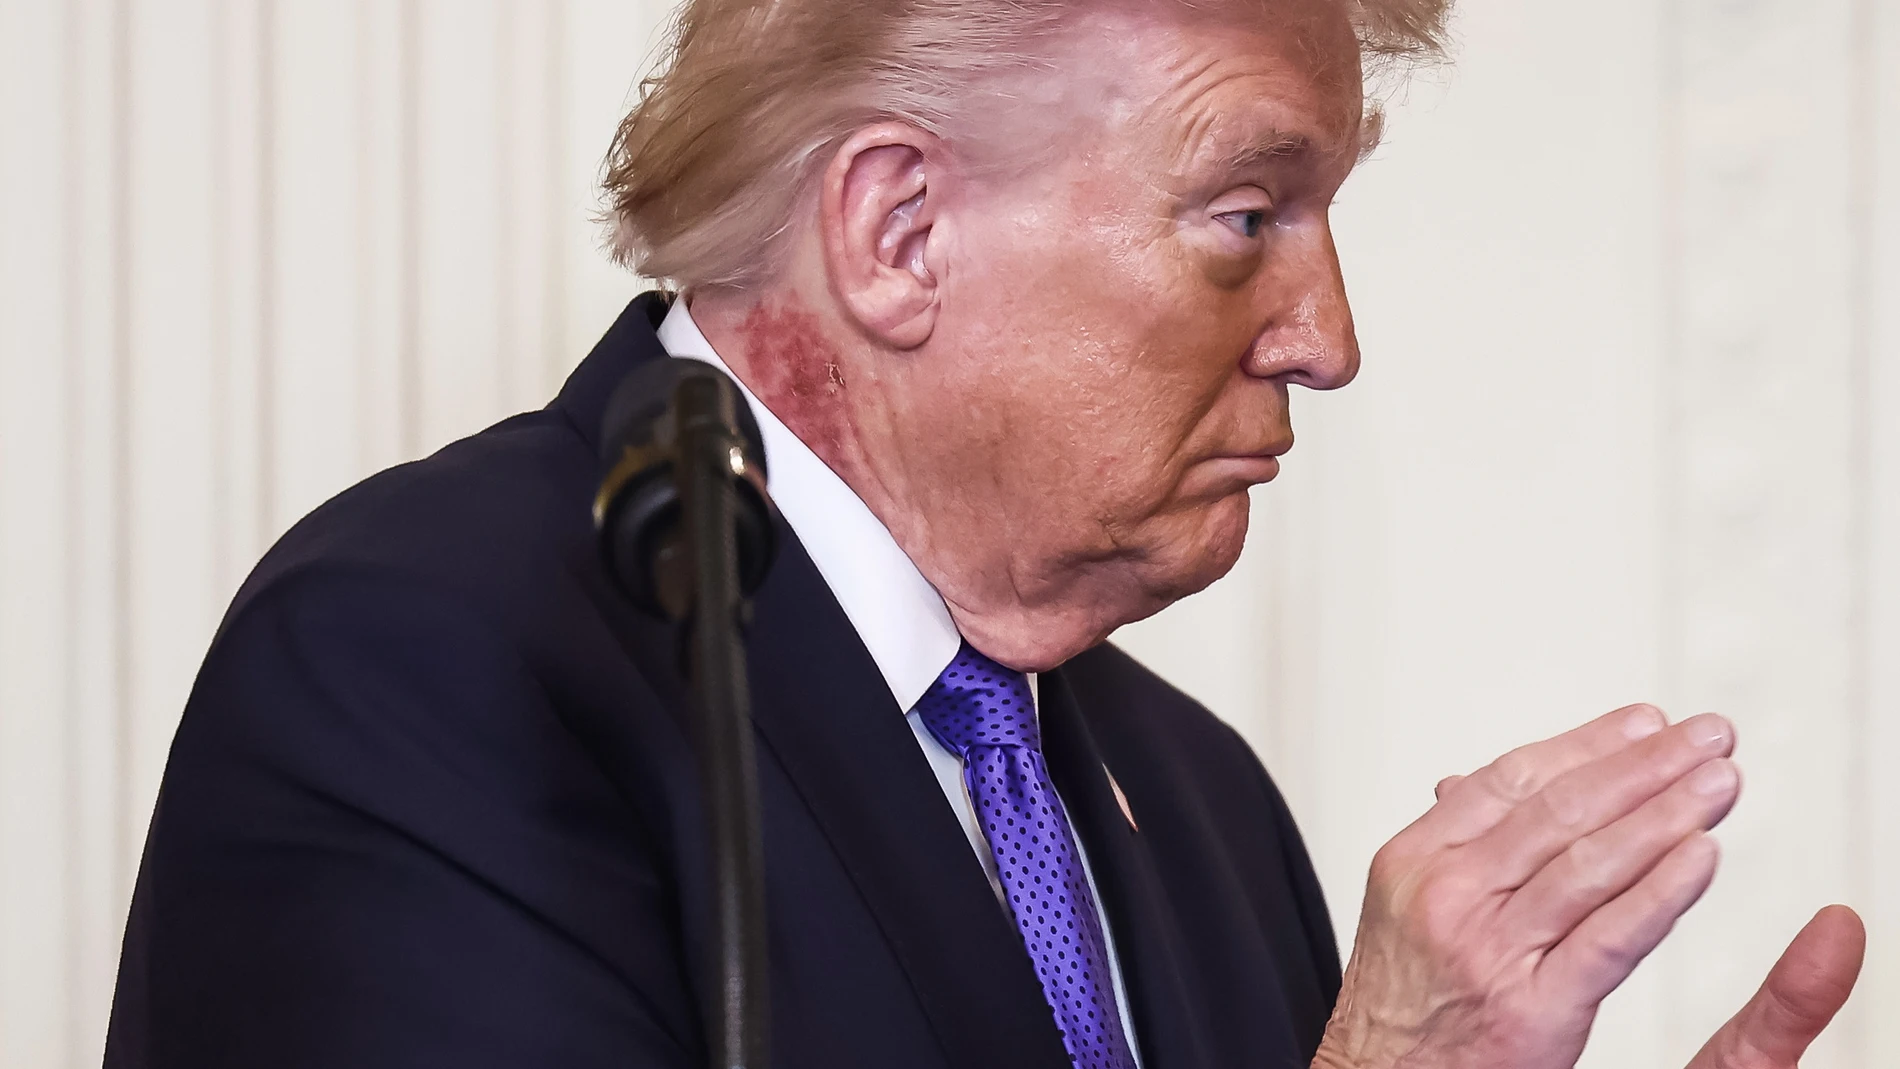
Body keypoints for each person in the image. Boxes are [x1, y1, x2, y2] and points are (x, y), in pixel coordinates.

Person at [103, 1, 1866, 1067]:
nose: (1327, 336)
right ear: (897, 229)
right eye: (1247, 214)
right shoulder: (431, 672)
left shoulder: (1196, 804)